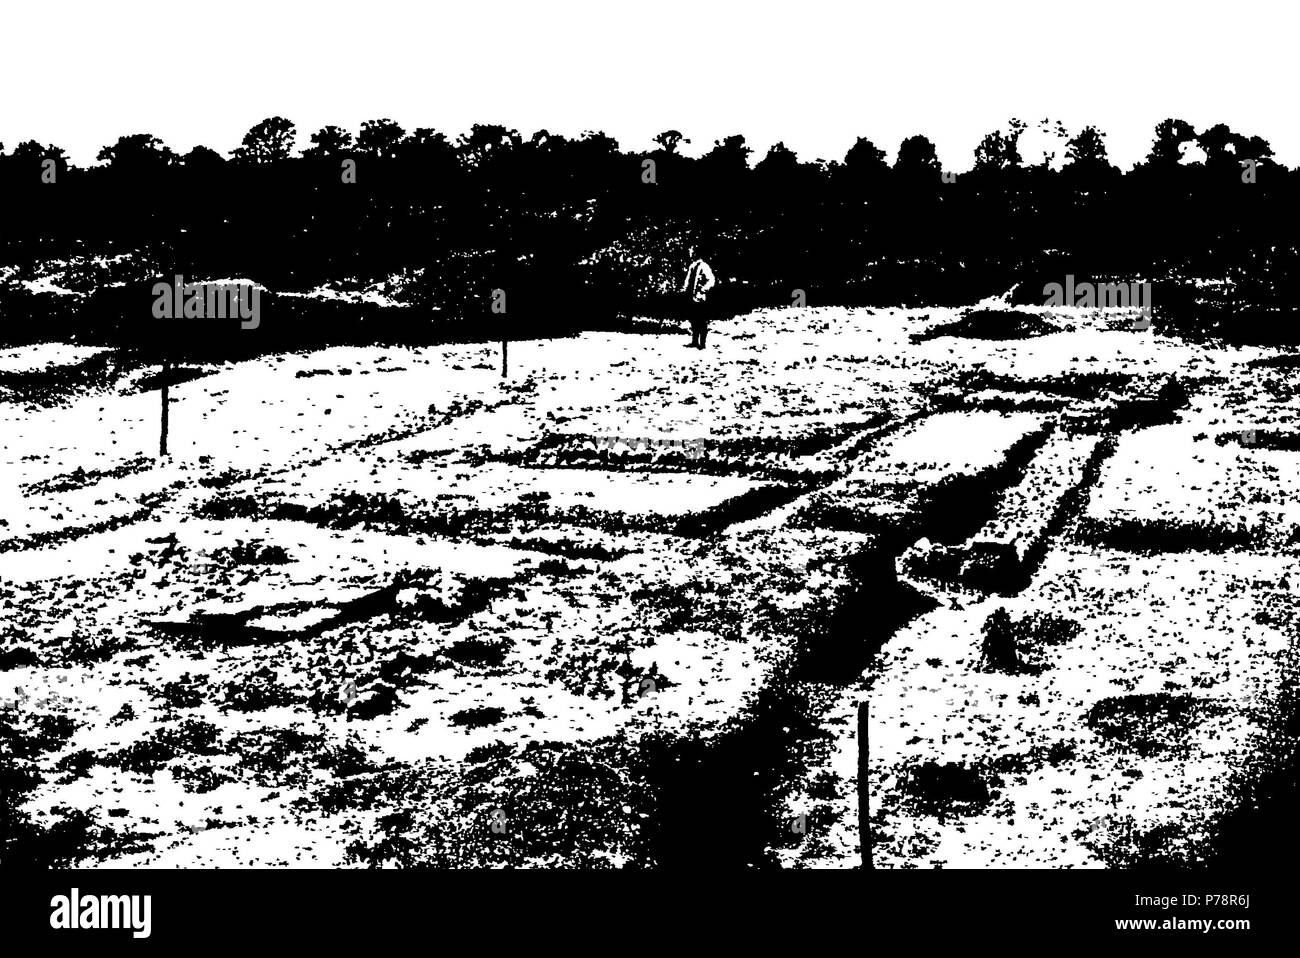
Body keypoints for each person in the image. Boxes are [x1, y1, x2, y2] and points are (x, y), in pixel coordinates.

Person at [682, 247, 717, 348]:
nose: (690, 254)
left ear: (696, 254)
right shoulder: (692, 266)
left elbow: (711, 280)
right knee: (693, 320)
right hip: (691, 297)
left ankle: (702, 343)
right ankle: (694, 341)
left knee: (701, 320)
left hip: (700, 298)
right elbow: (688, 281)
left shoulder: (704, 266)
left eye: (692, 253)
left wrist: (703, 289)